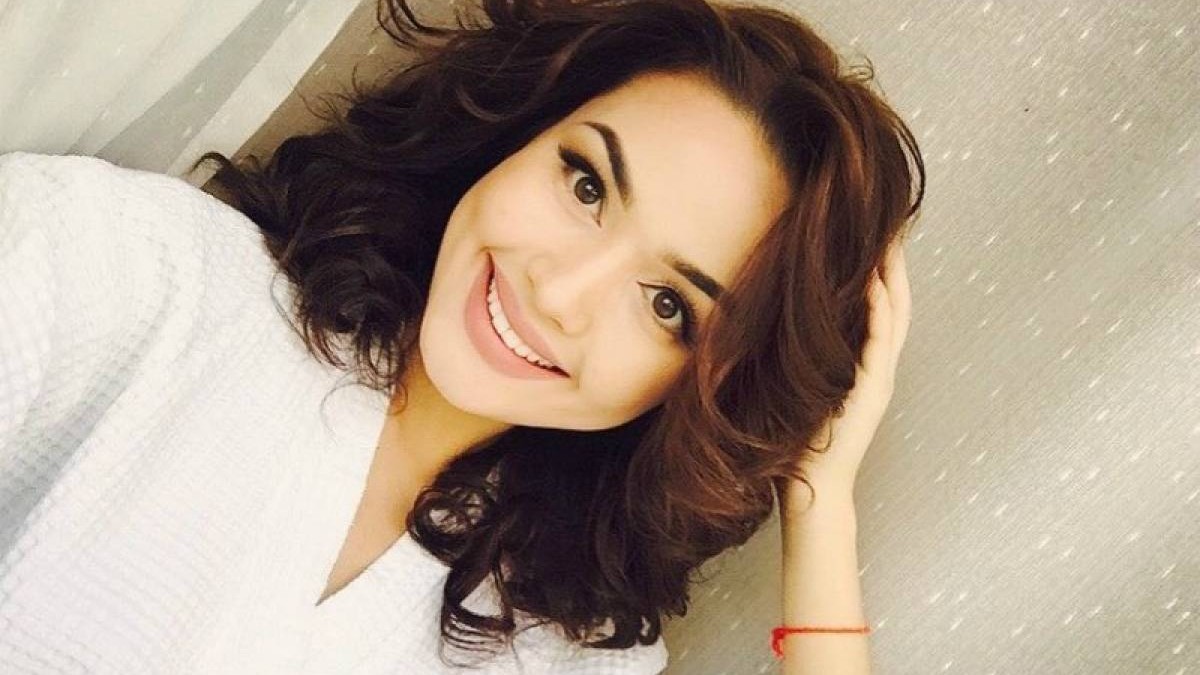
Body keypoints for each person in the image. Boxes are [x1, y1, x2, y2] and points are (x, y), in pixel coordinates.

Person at [0, 0, 922, 672]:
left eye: (668, 304)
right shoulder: (131, 268)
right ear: (523, 130)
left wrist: (820, 503)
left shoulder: (564, 649)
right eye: (587, 185)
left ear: (705, 384)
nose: (560, 291)